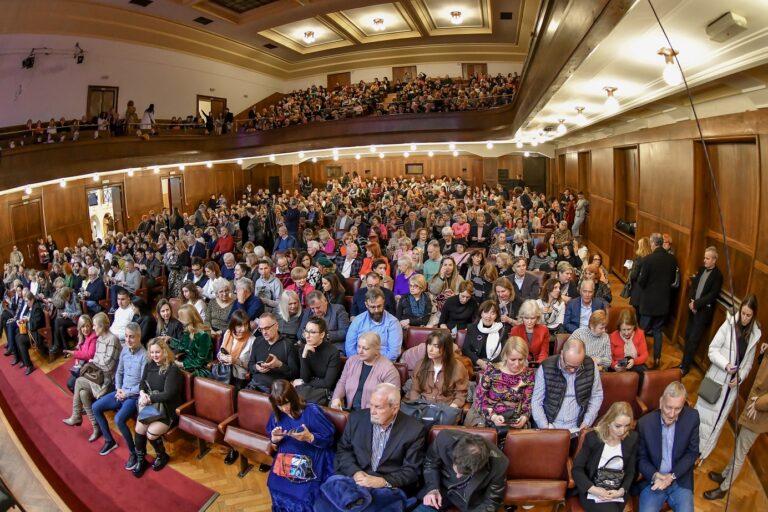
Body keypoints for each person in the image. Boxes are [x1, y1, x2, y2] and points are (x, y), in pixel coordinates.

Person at [695, 296, 761, 461]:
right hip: (716, 381)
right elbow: (712, 350)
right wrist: (726, 365)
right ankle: (691, 447)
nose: (744, 318)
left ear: (753, 316)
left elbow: (748, 366)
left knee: (717, 421)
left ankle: (703, 454)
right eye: (743, 313)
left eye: (748, 315)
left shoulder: (753, 336)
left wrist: (739, 377)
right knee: (703, 416)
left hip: (730, 388)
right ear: (739, 310)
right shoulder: (729, 325)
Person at [334, 383, 427, 493]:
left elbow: (411, 470)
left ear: (394, 409)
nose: (372, 411)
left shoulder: (414, 430)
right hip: (355, 480)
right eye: (371, 405)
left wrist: (383, 481)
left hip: (388, 489)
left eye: (378, 407)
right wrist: (355, 472)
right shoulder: (356, 419)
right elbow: (344, 450)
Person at [704, 348, 768, 500]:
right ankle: (725, 475)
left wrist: (759, 404)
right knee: (739, 444)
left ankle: (724, 489)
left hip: (759, 413)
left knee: (740, 452)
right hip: (755, 409)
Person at [266, 380, 336, 511]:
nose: (284, 408)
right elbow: (272, 439)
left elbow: (329, 439)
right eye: (279, 405)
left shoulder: (312, 411)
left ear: (293, 397)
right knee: (274, 484)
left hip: (312, 454)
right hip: (287, 456)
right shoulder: (277, 415)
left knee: (303, 494)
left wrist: (310, 437)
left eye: (286, 402)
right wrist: (274, 439)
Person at [637, 381, 699, 512]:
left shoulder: (692, 417)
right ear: (661, 402)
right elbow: (640, 458)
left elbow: (692, 453)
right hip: (654, 482)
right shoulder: (644, 424)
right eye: (668, 407)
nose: (672, 414)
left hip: (679, 480)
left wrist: (671, 476)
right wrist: (655, 475)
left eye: (678, 409)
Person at [92, 323, 147, 462]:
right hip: (121, 392)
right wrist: (118, 388)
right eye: (127, 336)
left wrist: (126, 394)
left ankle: (133, 452)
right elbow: (119, 372)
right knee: (95, 407)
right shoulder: (124, 350)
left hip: (133, 397)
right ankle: (109, 441)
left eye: (132, 337)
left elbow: (143, 383)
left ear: (139, 337)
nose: (128, 340)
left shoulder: (144, 356)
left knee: (118, 419)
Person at [62, 312, 121, 442]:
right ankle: (96, 427)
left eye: (94, 325)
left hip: (108, 382)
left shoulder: (113, 339)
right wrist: (94, 362)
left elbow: (108, 366)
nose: (93, 329)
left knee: (78, 381)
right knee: (83, 394)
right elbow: (97, 361)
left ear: (102, 326)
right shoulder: (100, 339)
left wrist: (94, 362)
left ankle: (77, 416)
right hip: (98, 377)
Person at [417, 430, 508, 512]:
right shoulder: (444, 438)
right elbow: (430, 463)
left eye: (465, 474)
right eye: (456, 470)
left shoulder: (500, 464)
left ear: (480, 467)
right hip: (440, 488)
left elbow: (492, 501)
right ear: (454, 455)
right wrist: (433, 488)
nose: (458, 476)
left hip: (470, 501)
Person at [131, 337, 184, 477]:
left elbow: (168, 394)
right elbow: (142, 383)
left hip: (168, 408)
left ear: (165, 352)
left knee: (151, 433)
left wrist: (149, 398)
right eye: (152, 352)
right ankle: (141, 460)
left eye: (157, 352)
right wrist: (142, 394)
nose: (154, 355)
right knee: (139, 429)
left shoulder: (172, 369)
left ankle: (162, 456)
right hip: (152, 405)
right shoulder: (149, 364)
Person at [572, 401, 638, 511]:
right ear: (608, 422)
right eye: (618, 426)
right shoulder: (593, 438)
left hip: (617, 491)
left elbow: (630, 471)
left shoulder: (631, 439)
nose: (622, 431)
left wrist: (621, 491)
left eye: (627, 426)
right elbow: (577, 469)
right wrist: (594, 489)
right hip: (593, 490)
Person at [531, 338, 604, 438]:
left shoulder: (590, 366)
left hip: (578, 427)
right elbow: (536, 401)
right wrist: (545, 427)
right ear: (562, 354)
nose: (572, 370)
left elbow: (596, 396)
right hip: (550, 425)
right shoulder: (546, 367)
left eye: (577, 366)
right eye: (568, 366)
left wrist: (587, 422)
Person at [464, 337, 535, 432]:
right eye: (513, 360)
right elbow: (479, 399)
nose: (517, 364)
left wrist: (524, 417)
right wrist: (493, 417)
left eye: (521, 359)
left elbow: (528, 402)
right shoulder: (492, 370)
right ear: (505, 356)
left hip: (514, 417)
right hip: (487, 414)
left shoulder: (528, 374)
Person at [637, 233, 678, 368]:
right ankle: (657, 359)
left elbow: (641, 282)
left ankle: (639, 357)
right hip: (663, 303)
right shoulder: (672, 260)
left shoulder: (648, 260)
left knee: (641, 331)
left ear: (653, 243)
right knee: (657, 332)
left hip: (648, 303)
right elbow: (672, 280)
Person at [680, 247, 724, 376]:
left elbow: (712, 295)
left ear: (714, 260)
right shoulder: (701, 269)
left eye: (707, 258)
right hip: (692, 309)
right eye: (705, 257)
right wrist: (691, 301)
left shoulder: (718, 276)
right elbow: (694, 286)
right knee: (687, 336)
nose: (704, 260)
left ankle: (685, 368)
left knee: (693, 340)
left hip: (703, 313)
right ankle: (682, 363)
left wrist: (696, 304)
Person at [332, 332, 400, 411]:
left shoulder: (388, 370)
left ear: (376, 350)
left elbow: (393, 400)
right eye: (358, 347)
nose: (360, 351)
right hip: (348, 410)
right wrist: (336, 398)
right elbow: (342, 382)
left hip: (372, 415)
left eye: (365, 348)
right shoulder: (351, 361)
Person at [406, 330, 469, 410]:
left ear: (446, 348)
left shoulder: (458, 367)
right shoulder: (420, 364)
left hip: (445, 409)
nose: (430, 349)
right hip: (423, 408)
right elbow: (415, 390)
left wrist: (450, 410)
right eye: (429, 344)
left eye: (436, 346)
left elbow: (460, 394)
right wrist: (417, 408)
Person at [246, 312, 299, 393]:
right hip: (254, 385)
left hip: (275, 389)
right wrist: (256, 367)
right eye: (261, 329)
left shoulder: (288, 345)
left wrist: (279, 365)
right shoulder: (258, 341)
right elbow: (250, 364)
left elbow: (294, 374)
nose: (264, 332)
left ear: (276, 326)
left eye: (267, 328)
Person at [294, 316, 342, 405]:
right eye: (306, 331)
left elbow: (328, 383)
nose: (307, 336)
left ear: (322, 335)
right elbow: (304, 377)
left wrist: (307, 382)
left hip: (322, 392)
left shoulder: (333, 352)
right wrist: (304, 356)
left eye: (312, 332)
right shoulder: (303, 349)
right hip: (308, 390)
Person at [345, 288, 402, 361]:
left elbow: (393, 353)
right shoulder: (357, 321)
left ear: (383, 302)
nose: (376, 310)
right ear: (366, 304)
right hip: (359, 362)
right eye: (372, 307)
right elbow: (350, 349)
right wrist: (360, 362)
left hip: (383, 364)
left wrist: (373, 362)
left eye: (379, 306)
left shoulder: (393, 322)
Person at [216, 309, 256, 391]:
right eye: (239, 326)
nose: (243, 329)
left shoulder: (252, 339)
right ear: (233, 325)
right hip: (224, 371)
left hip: (239, 377)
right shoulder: (228, 333)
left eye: (245, 325)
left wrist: (236, 361)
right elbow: (220, 352)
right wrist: (221, 356)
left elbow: (252, 366)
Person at [463, 300, 508, 370]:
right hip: (474, 365)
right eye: (486, 312)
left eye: (492, 313)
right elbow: (466, 349)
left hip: (495, 366)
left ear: (496, 316)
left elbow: (504, 352)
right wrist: (479, 362)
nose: (489, 316)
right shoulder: (472, 328)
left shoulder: (501, 330)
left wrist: (491, 364)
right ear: (481, 313)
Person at [170, 305, 213, 377]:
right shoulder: (188, 331)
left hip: (201, 369)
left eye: (181, 317)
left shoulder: (204, 335)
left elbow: (200, 361)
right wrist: (169, 339)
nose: (179, 320)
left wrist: (181, 364)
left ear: (187, 319)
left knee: (176, 374)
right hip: (188, 363)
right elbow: (183, 345)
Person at [11, 291, 45, 374]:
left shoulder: (37, 307)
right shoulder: (33, 306)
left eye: (27, 301)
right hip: (32, 331)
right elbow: (32, 319)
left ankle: (29, 365)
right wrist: (26, 319)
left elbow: (36, 324)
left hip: (37, 333)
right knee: (17, 336)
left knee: (21, 340)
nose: (26, 303)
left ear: (32, 299)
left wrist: (28, 319)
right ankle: (23, 360)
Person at [63, 314, 98, 392]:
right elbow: (81, 352)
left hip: (90, 368)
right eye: (83, 326)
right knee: (70, 383)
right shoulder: (82, 337)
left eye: (87, 326)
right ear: (79, 327)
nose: (85, 329)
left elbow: (89, 355)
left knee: (70, 384)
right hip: (82, 366)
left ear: (91, 326)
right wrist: (76, 357)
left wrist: (74, 353)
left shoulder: (93, 337)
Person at [510, 299, 550, 364]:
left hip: (538, 364)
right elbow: (513, 352)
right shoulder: (515, 330)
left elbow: (544, 352)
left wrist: (537, 365)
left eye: (532, 318)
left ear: (537, 317)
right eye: (526, 318)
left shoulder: (544, 330)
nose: (529, 322)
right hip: (519, 364)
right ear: (522, 317)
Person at [609, 309, 649, 373]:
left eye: (629, 329)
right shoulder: (613, 336)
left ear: (634, 326)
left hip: (634, 363)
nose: (626, 333)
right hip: (618, 366)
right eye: (623, 330)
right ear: (619, 327)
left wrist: (634, 361)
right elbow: (608, 358)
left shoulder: (640, 334)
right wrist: (614, 365)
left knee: (643, 371)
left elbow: (644, 355)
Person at [628, 237, 652, 318]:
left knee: (638, 313)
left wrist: (631, 270)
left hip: (638, 289)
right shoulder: (650, 258)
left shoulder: (639, 259)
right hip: (647, 290)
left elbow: (634, 275)